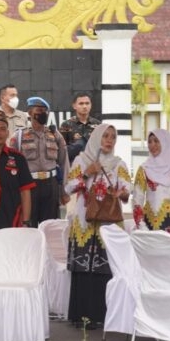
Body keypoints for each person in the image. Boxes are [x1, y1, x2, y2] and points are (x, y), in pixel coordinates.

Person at [65, 124, 130, 329]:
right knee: (83, 268)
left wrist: (122, 193)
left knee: (105, 268)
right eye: (105, 136)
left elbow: (129, 190)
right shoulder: (81, 160)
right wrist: (86, 173)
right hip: (84, 221)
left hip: (109, 224)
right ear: (96, 138)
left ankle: (103, 315)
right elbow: (68, 187)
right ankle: (81, 316)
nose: (109, 140)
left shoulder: (119, 164)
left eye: (112, 137)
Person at [9, 96, 70, 226]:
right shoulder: (19, 136)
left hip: (50, 185)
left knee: (50, 226)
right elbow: (11, 165)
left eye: (45, 111)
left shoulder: (54, 134)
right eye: (39, 110)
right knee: (29, 225)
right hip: (29, 185)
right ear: (30, 113)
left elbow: (64, 162)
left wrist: (65, 190)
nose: (43, 114)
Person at [0, 110, 35, 229]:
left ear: (8, 133)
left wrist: (26, 222)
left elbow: (25, 191)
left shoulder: (18, 158)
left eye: (2, 129)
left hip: (12, 219)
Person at [59, 92, 101, 162]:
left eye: (87, 103)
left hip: (93, 166)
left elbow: (102, 148)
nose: (84, 106)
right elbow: (62, 150)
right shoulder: (66, 125)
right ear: (74, 106)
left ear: (91, 105)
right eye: (81, 103)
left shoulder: (98, 125)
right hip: (74, 167)